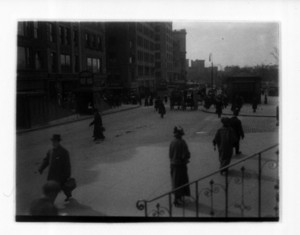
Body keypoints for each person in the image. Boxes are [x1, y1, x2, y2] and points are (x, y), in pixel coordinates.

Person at [38, 134, 72, 202]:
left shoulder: (64, 152)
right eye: (53, 141)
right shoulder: (50, 151)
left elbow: (67, 165)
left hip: (60, 176)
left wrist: (67, 175)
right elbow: (46, 160)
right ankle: (66, 195)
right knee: (53, 189)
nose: (53, 143)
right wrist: (41, 168)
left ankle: (66, 196)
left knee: (58, 189)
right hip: (51, 175)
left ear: (58, 142)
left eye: (55, 141)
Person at [169, 126, 191, 206]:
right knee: (181, 182)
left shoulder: (172, 142)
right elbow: (186, 155)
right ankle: (178, 199)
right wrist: (187, 157)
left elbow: (170, 155)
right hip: (180, 165)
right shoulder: (182, 142)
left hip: (173, 165)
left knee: (175, 182)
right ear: (181, 134)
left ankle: (177, 198)